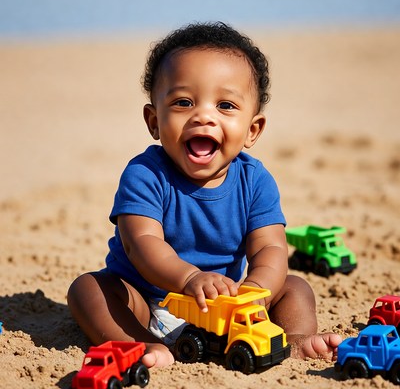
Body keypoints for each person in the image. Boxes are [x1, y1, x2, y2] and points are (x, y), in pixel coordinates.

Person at [67, 22, 342, 368]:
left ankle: (294, 340)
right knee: (89, 289)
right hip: (150, 300)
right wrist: (189, 278)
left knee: (294, 286)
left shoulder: (254, 181)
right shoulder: (145, 174)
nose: (204, 116)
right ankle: (143, 345)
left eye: (225, 105)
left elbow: (270, 247)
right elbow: (141, 244)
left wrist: (255, 291)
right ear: (154, 120)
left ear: (252, 130)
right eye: (183, 102)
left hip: (228, 308)